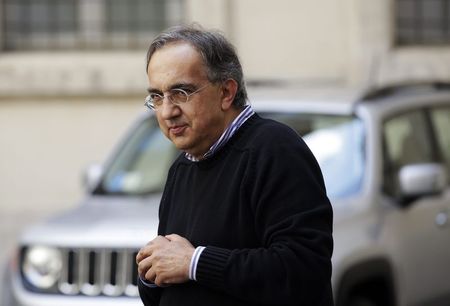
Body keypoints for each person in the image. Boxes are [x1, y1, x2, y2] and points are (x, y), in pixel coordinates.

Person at [136, 24, 333, 306]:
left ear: (226, 92)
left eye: (181, 92)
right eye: (157, 96)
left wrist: (195, 262)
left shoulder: (275, 149)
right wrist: (151, 272)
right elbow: (175, 280)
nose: (167, 111)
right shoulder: (183, 167)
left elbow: (303, 272)